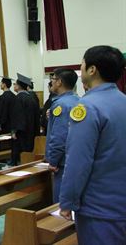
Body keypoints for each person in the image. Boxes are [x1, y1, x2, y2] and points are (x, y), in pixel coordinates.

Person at [60, 46, 126, 242]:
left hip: (100, 208)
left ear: (92, 69)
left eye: (82, 63)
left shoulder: (87, 108)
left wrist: (68, 201)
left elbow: (78, 161)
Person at [44, 68, 78, 204]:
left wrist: (53, 161)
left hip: (62, 163)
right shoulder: (78, 100)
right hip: (75, 159)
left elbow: (59, 137)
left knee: (60, 205)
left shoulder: (61, 105)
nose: (51, 82)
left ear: (59, 82)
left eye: (53, 79)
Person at [9, 73, 40, 166]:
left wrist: (14, 131)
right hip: (32, 131)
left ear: (18, 86)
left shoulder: (18, 98)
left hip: (22, 133)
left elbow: (17, 116)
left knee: (21, 155)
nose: (14, 86)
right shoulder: (31, 98)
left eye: (15, 84)